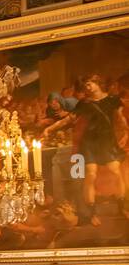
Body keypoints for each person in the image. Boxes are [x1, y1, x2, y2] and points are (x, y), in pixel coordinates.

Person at [43, 74, 128, 226]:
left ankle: (122, 207)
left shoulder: (112, 100)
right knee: (90, 175)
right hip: (89, 143)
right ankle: (91, 213)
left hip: (107, 141)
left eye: (90, 84)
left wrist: (126, 134)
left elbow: (121, 118)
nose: (87, 87)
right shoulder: (84, 103)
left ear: (98, 83)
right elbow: (69, 119)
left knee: (116, 173)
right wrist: (50, 128)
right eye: (86, 85)